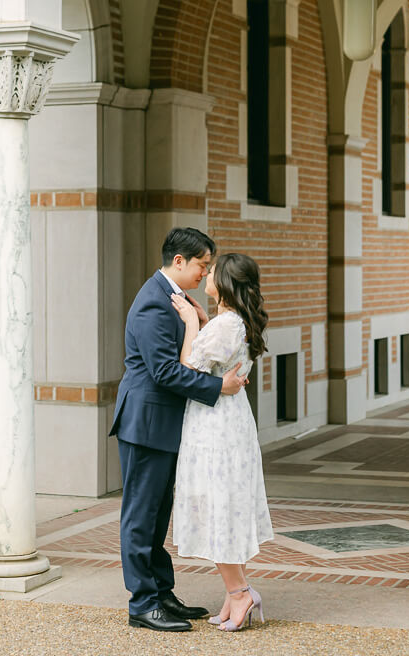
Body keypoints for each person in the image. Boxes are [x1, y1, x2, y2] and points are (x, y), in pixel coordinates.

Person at [110, 227, 247, 632]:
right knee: (140, 517)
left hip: (167, 425)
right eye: (202, 266)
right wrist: (217, 387)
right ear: (180, 261)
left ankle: (161, 593)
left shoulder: (178, 298)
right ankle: (143, 604)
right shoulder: (154, 302)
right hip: (146, 424)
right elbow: (165, 371)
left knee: (157, 515)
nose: (205, 275)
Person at [171, 250, 273, 632]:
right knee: (223, 507)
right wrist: (203, 321)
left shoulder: (223, 326)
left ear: (225, 281)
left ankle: (241, 591)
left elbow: (188, 370)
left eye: (212, 270)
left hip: (215, 428)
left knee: (216, 507)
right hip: (229, 422)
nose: (206, 273)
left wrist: (190, 325)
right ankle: (235, 595)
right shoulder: (234, 322)